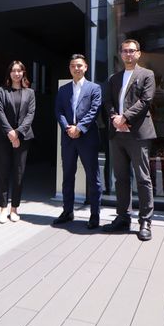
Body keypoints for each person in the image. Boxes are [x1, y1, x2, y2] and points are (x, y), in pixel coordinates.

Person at [103, 39, 156, 241]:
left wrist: (124, 118)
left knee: (143, 179)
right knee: (121, 179)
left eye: (132, 51)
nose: (128, 54)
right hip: (118, 135)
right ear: (120, 54)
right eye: (125, 51)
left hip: (138, 134)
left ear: (139, 53)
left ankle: (145, 222)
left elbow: (145, 100)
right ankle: (123, 217)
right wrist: (114, 118)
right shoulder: (114, 78)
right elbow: (108, 101)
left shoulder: (147, 74)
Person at [53, 54, 103, 229]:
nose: (76, 68)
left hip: (87, 138)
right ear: (70, 68)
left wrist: (79, 128)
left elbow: (94, 110)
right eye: (73, 66)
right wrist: (68, 128)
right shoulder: (63, 90)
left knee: (93, 177)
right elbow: (58, 111)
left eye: (80, 65)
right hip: (68, 138)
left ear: (86, 67)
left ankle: (95, 215)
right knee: (67, 176)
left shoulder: (94, 88)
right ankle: (67, 211)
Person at [0, 60, 36, 223]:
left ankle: (14, 209)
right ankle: (3, 209)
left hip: (23, 138)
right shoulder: (2, 91)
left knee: (19, 174)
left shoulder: (30, 93)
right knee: (3, 172)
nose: (16, 73)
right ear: (9, 73)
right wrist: (10, 133)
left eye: (19, 70)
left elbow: (30, 114)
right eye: (13, 70)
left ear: (23, 72)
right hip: (4, 137)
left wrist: (17, 133)